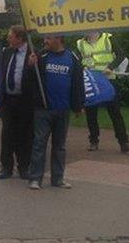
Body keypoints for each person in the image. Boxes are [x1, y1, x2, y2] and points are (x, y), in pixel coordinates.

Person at [24, 35, 84, 190]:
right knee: (39, 144)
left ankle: (58, 178)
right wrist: (30, 66)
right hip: (43, 109)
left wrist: (78, 106)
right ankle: (35, 178)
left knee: (60, 146)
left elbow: (78, 83)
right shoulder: (40, 57)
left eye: (48, 38)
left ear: (59, 39)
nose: (45, 41)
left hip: (63, 110)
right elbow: (29, 81)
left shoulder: (73, 58)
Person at [76, 31, 129, 153]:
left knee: (115, 112)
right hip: (92, 81)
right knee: (91, 113)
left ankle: (124, 142)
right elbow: (77, 61)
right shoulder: (80, 43)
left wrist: (110, 67)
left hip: (108, 80)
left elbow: (120, 55)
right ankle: (93, 141)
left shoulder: (107, 38)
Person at [0, 25, 32, 180]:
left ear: (20, 38)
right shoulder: (7, 52)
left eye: (11, 36)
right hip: (8, 100)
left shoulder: (32, 54)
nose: (8, 39)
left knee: (24, 135)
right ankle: (6, 167)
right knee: (7, 134)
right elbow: (2, 74)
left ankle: (24, 167)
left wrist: (32, 66)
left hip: (24, 101)